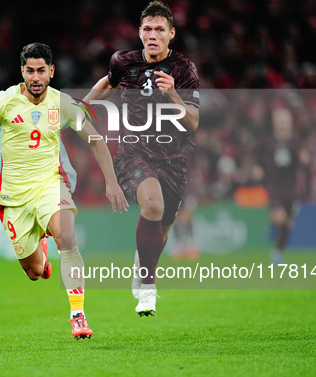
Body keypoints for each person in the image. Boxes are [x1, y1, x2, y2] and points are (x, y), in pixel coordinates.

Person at [0, 43, 128, 339]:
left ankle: (78, 315)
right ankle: (42, 255)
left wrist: (112, 182)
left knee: (67, 235)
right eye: (29, 71)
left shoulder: (62, 103)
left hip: (51, 183)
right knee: (34, 271)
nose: (35, 77)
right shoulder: (4, 102)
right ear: (21, 71)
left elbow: (96, 140)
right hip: (13, 197)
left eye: (41, 71)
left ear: (51, 72)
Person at [83, 1, 199, 316]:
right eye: (147, 29)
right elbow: (109, 82)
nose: (152, 35)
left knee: (161, 230)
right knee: (153, 204)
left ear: (171, 34)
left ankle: (143, 265)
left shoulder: (184, 70)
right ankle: (147, 288)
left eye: (159, 29)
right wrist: (82, 106)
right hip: (134, 151)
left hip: (173, 159)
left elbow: (193, 122)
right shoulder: (124, 61)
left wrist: (173, 95)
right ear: (139, 32)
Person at [256, 107, 310, 265]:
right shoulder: (267, 142)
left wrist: (305, 160)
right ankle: (273, 224)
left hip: (291, 188)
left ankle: (278, 251)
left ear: (290, 122)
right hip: (274, 186)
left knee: (288, 223)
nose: (282, 123)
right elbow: (258, 158)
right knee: (280, 216)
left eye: (284, 120)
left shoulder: (295, 142)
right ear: (274, 122)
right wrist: (258, 169)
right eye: (279, 120)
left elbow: (303, 162)